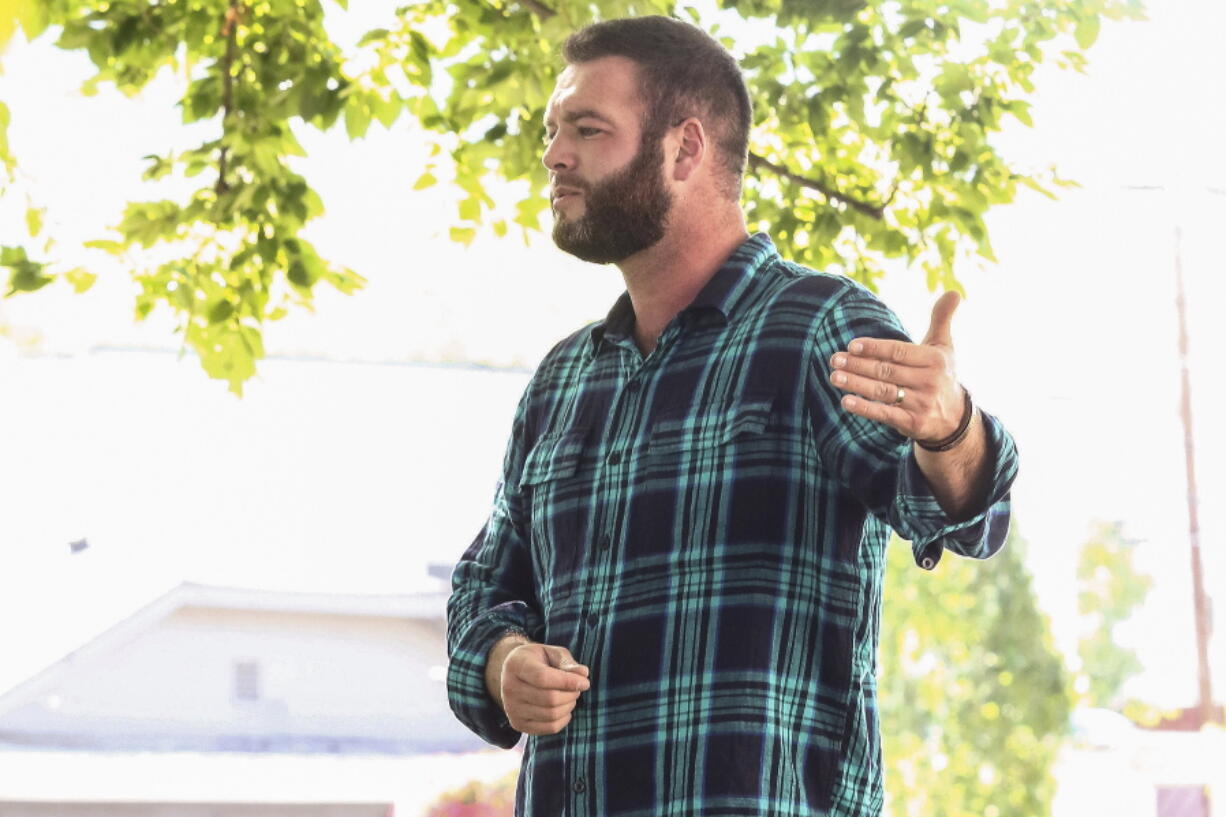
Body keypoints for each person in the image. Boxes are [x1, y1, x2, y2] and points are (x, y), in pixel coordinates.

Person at [446, 15, 1017, 817]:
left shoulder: (820, 328)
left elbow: (957, 515)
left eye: (586, 128)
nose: (554, 156)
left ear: (684, 150)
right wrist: (503, 661)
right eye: (552, 131)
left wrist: (952, 427)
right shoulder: (561, 382)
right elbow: (483, 585)